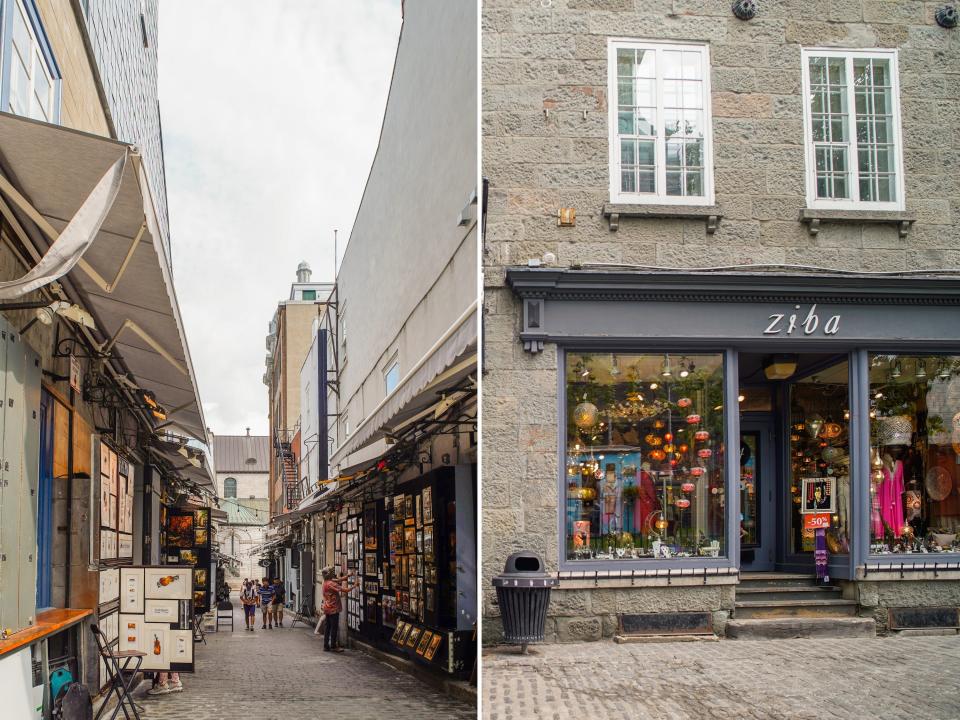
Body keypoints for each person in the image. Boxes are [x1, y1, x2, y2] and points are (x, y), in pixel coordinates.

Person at [321, 566, 358, 652]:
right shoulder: (331, 584)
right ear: (329, 574)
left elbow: (339, 580)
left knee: (327, 628)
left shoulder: (325, 582)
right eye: (331, 571)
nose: (333, 573)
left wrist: (348, 576)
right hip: (333, 609)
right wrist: (354, 586)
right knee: (334, 628)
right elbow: (344, 590)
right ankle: (333, 646)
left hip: (327, 608)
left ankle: (326, 646)